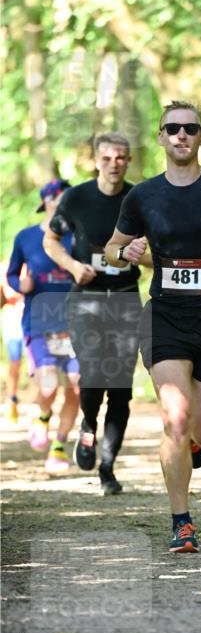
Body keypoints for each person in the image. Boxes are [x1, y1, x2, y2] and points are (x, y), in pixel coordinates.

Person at [104, 100, 201, 553]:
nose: (181, 135)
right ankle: (182, 521)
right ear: (160, 137)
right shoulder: (143, 196)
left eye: (190, 128)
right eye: (172, 128)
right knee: (175, 418)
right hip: (166, 317)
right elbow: (112, 248)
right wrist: (127, 253)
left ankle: (192, 448)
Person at [44, 133, 149, 495]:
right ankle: (88, 423)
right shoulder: (77, 198)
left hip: (125, 300)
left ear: (129, 161)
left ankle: (107, 468)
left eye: (120, 158)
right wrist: (74, 266)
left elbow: (157, 255)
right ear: (95, 161)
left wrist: (141, 255)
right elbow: (50, 240)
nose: (114, 164)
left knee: (120, 388)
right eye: (107, 158)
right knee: (92, 374)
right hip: (86, 300)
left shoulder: (139, 199)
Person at [6, 180, 80, 472]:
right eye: (57, 199)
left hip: (73, 325)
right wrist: (19, 284)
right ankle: (43, 416)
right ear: (46, 202)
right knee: (48, 384)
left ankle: (58, 446)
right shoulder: (26, 237)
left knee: (77, 384)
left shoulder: (79, 236)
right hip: (39, 324)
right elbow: (12, 274)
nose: (62, 204)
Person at [1, 262, 24, 422]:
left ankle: (43, 405)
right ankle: (12, 400)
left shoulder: (33, 264)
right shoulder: (5, 267)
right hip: (12, 318)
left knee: (40, 364)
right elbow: (7, 294)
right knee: (14, 362)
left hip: (33, 316)